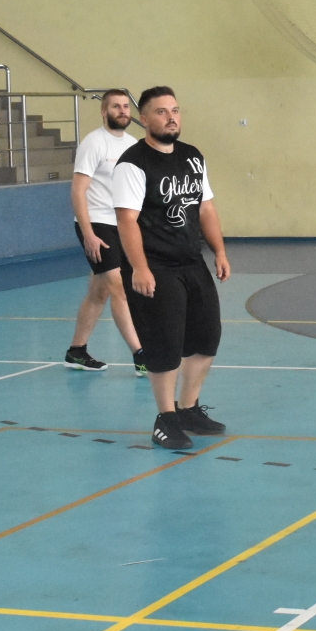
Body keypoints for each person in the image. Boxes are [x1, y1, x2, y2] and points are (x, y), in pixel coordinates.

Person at [114, 86, 231, 452]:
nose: (171, 118)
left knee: (206, 337)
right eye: (161, 112)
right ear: (144, 119)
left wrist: (219, 251)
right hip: (155, 265)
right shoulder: (133, 163)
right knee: (164, 345)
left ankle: (188, 409)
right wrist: (139, 268)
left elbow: (205, 208)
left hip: (191, 261)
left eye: (175, 110)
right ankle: (165, 420)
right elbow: (126, 220)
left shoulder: (192, 157)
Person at [65, 89, 146, 372]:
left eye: (125, 106)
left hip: (122, 224)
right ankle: (141, 354)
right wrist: (87, 233)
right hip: (97, 224)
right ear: (104, 111)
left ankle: (76, 351)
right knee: (119, 287)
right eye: (115, 106)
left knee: (98, 293)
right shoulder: (93, 143)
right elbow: (78, 190)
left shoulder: (134, 145)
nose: (122, 111)